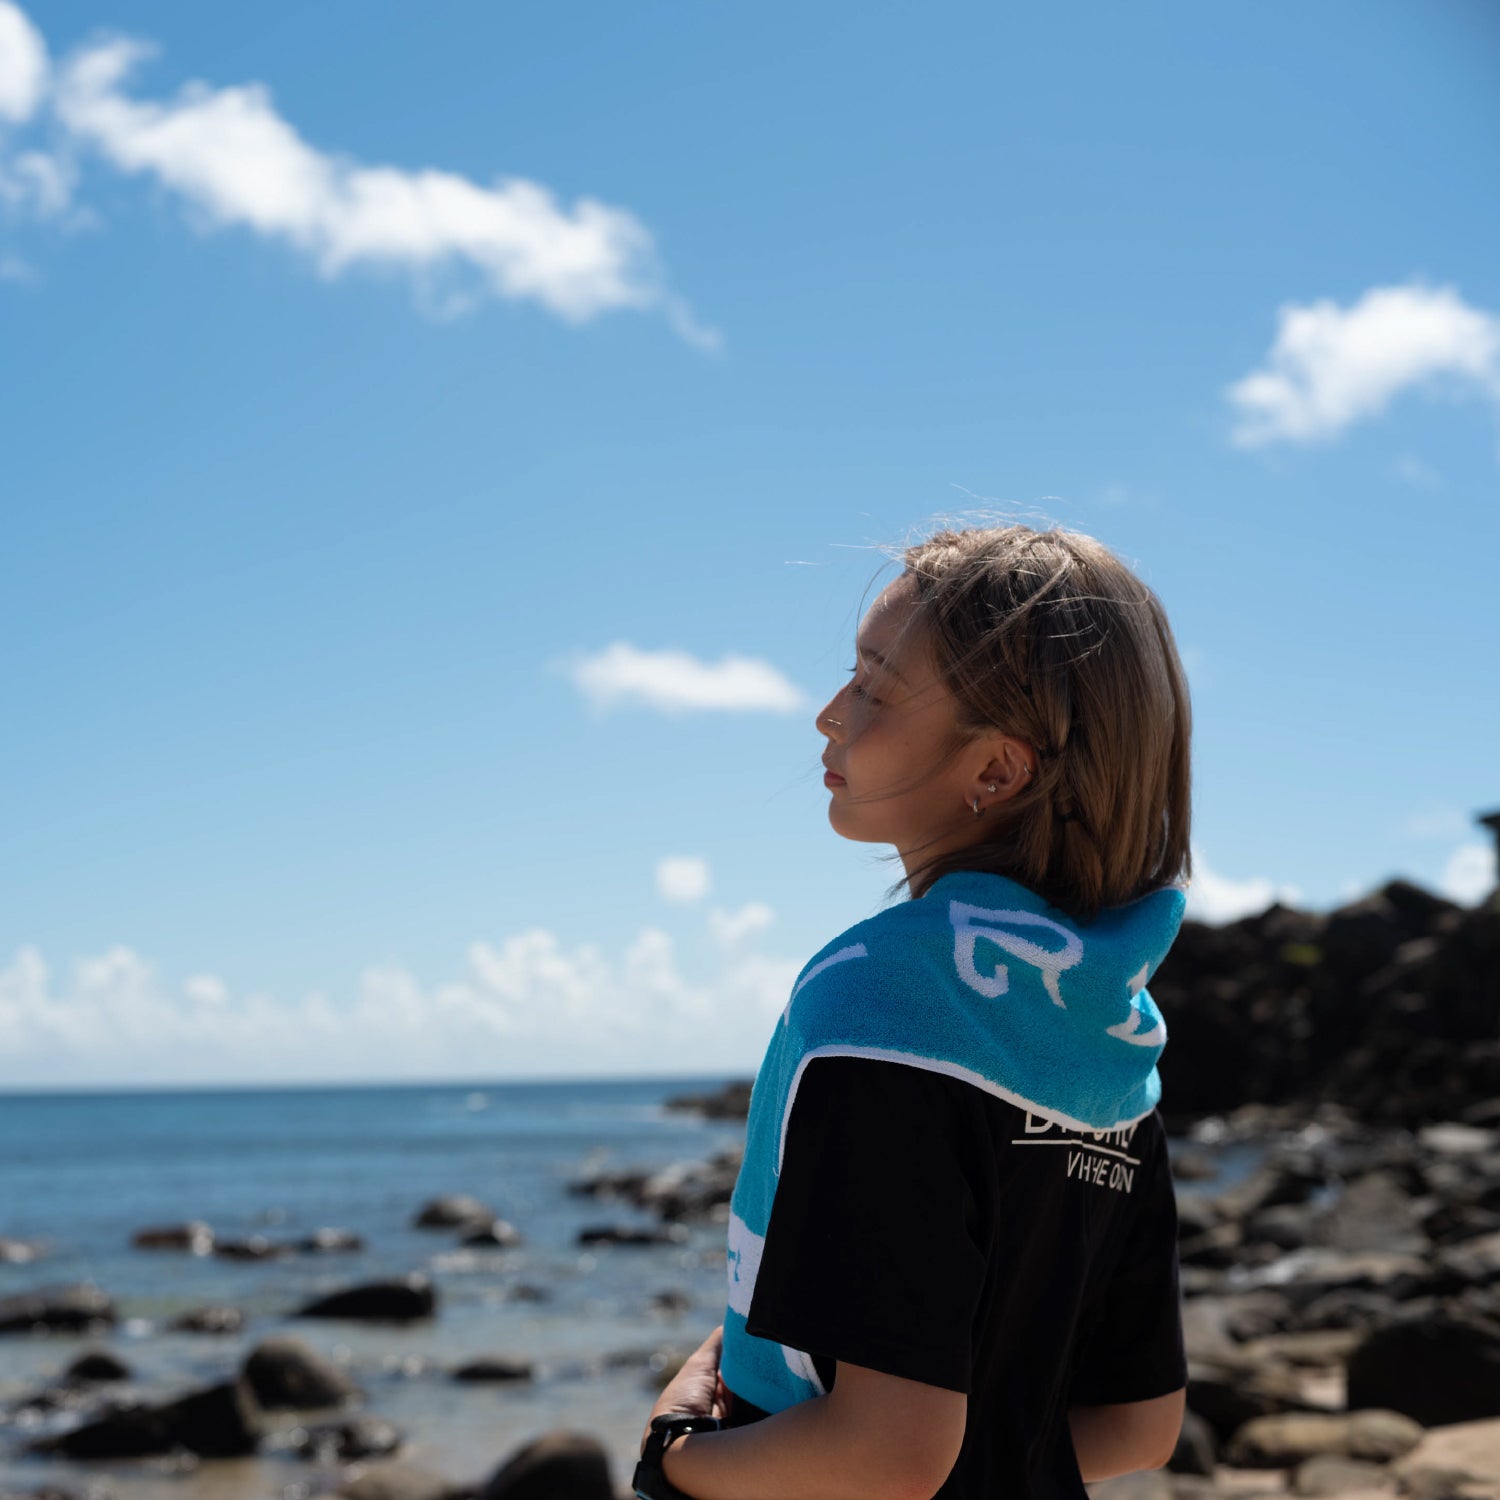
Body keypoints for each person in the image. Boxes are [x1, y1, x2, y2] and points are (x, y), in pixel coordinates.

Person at [636, 523, 1192, 1500]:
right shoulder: (1114, 1040)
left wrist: (680, 1458)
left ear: (994, 772)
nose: (828, 714)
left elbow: (888, 1453)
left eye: (874, 687)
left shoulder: (881, 996)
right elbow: (1140, 1423)